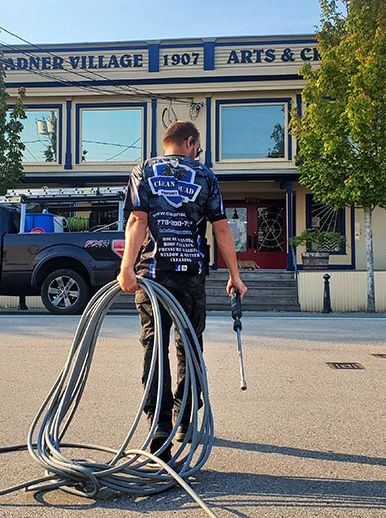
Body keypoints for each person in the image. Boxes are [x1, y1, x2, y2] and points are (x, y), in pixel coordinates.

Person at [116, 120, 248, 462]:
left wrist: (126, 267)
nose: (197, 153)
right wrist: (235, 276)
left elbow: (137, 221)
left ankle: (158, 426)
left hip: (153, 275)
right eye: (198, 147)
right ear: (190, 142)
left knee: (154, 345)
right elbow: (221, 228)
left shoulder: (143, 170)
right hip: (190, 274)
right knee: (189, 346)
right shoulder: (205, 176)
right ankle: (186, 416)